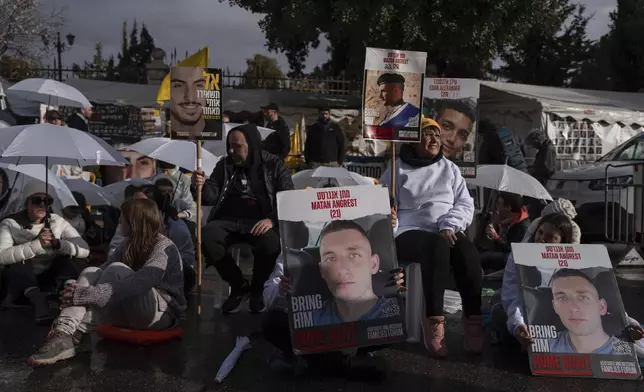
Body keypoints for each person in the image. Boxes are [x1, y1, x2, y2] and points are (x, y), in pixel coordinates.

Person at [28, 198, 187, 366]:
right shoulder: (128, 244)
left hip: (159, 315)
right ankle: (64, 333)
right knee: (91, 271)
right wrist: (76, 288)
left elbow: (141, 282)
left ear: (133, 221)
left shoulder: (163, 246)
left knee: (116, 270)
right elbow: (101, 270)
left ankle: (77, 332)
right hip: (130, 312)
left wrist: (91, 294)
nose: (119, 221)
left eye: (122, 217)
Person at [380, 117, 483, 357]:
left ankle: (473, 319)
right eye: (428, 134)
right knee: (437, 247)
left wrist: (451, 224)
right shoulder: (397, 169)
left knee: (466, 251)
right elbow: (380, 205)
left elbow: (465, 204)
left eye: (437, 135)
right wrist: (389, 217)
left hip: (445, 228)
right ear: (415, 140)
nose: (434, 139)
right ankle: (434, 321)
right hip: (407, 230)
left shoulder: (450, 168)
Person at [193, 124, 294, 313]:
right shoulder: (224, 165)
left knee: (271, 241)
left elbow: (288, 197)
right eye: (229, 146)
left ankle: (257, 290)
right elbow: (209, 197)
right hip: (229, 220)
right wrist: (198, 185)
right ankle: (239, 285)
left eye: (237, 146)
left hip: (261, 221)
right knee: (207, 234)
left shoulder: (274, 165)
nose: (231, 151)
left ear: (252, 145)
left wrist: (272, 220)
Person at [262, 252, 404, 378]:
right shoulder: (290, 256)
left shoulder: (363, 253)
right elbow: (268, 299)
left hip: (351, 329)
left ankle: (314, 363)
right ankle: (344, 363)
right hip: (310, 331)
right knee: (272, 321)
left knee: (397, 316)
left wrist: (396, 285)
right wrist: (281, 290)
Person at [0, 183, 89, 323]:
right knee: (18, 262)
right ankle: (38, 300)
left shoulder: (56, 221)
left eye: (47, 201)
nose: (42, 205)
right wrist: (37, 245)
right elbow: (1, 255)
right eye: (36, 201)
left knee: (73, 258)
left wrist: (58, 244)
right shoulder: (10, 223)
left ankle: (68, 293)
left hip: (50, 277)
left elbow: (84, 249)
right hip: (21, 282)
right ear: (27, 202)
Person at [110, 185, 195, 296]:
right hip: (132, 282)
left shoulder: (174, 231)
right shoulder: (127, 226)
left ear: (152, 209)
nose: (133, 206)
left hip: (159, 291)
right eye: (134, 201)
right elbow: (113, 255)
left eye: (141, 203)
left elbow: (186, 263)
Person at [312, 220, 400, 325]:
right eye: (330, 258)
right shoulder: (310, 318)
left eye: (354, 255)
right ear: (322, 271)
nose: (342, 270)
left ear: (374, 264)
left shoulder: (400, 316)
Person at [548, 268, 629, 354]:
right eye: (562, 298)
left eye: (584, 297)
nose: (573, 308)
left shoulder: (624, 353)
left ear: (602, 307)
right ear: (555, 306)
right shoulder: (545, 346)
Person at [481, 192, 530, 278]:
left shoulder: (522, 226)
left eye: (499, 204)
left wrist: (496, 237)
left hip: (510, 257)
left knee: (484, 258)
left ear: (508, 207)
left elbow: (512, 249)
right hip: (501, 251)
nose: (497, 208)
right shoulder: (505, 219)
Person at [170, 66, 221, 140]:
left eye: (199, 85)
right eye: (178, 86)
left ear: (209, 90)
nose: (190, 98)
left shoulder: (224, 136)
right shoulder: (160, 138)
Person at [154, 161, 197, 234]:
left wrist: (178, 215)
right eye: (162, 170)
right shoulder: (156, 176)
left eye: (167, 170)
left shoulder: (183, 180)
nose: (165, 173)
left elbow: (192, 208)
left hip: (181, 219)